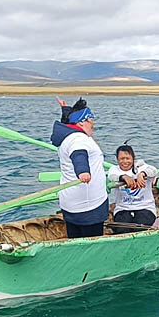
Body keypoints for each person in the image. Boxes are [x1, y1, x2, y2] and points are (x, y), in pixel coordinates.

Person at [50, 96, 108, 238]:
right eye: (91, 119)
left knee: (74, 239)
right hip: (88, 206)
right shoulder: (78, 139)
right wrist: (82, 171)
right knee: (92, 247)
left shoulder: (68, 136)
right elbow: (78, 155)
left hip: (70, 203)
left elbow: (70, 123)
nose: (93, 123)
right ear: (82, 122)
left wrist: (66, 111)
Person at [107, 144, 158, 233]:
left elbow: (154, 171)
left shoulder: (142, 167)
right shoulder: (114, 169)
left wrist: (142, 174)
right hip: (123, 209)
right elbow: (112, 177)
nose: (125, 161)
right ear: (117, 160)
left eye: (128, 158)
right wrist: (124, 177)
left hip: (145, 208)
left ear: (133, 159)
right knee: (122, 230)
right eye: (121, 159)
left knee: (141, 228)